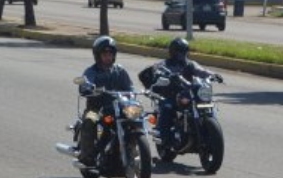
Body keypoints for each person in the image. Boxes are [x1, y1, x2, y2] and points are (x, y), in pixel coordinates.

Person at [138, 37, 217, 148]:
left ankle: (208, 133)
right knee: (167, 107)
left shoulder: (189, 64)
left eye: (184, 52)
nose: (181, 55)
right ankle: (164, 136)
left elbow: (200, 71)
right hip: (170, 94)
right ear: (173, 52)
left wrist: (212, 75)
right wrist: (166, 76)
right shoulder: (164, 64)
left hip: (188, 93)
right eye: (179, 52)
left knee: (208, 104)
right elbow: (158, 71)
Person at [76, 35, 135, 167]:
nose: (108, 56)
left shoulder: (119, 70)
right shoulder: (91, 71)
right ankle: (87, 156)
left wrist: (131, 93)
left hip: (118, 107)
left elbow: (129, 86)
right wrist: (88, 87)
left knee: (135, 119)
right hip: (96, 108)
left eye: (110, 53)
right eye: (105, 54)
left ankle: (133, 148)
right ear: (98, 55)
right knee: (89, 121)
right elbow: (85, 82)